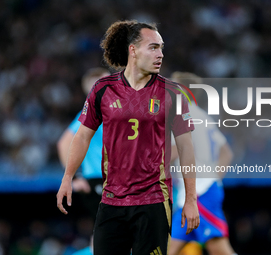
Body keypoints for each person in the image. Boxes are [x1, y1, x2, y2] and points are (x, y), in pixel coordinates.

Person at [56, 20, 200, 255]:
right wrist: (68, 176)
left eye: (161, 47)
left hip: (154, 200)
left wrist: (191, 200)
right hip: (111, 199)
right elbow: (81, 137)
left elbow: (186, 148)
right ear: (132, 50)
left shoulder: (173, 93)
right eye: (153, 47)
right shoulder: (102, 89)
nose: (160, 54)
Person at [169, 72, 237, 255]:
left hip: (199, 195)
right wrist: (213, 178)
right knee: (168, 249)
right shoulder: (204, 117)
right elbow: (227, 153)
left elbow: (175, 151)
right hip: (199, 192)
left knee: (220, 250)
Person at [57, 67, 109, 220]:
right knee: (111, 230)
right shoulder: (91, 113)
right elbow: (64, 142)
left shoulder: (109, 112)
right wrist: (75, 176)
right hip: (97, 178)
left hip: (109, 178)